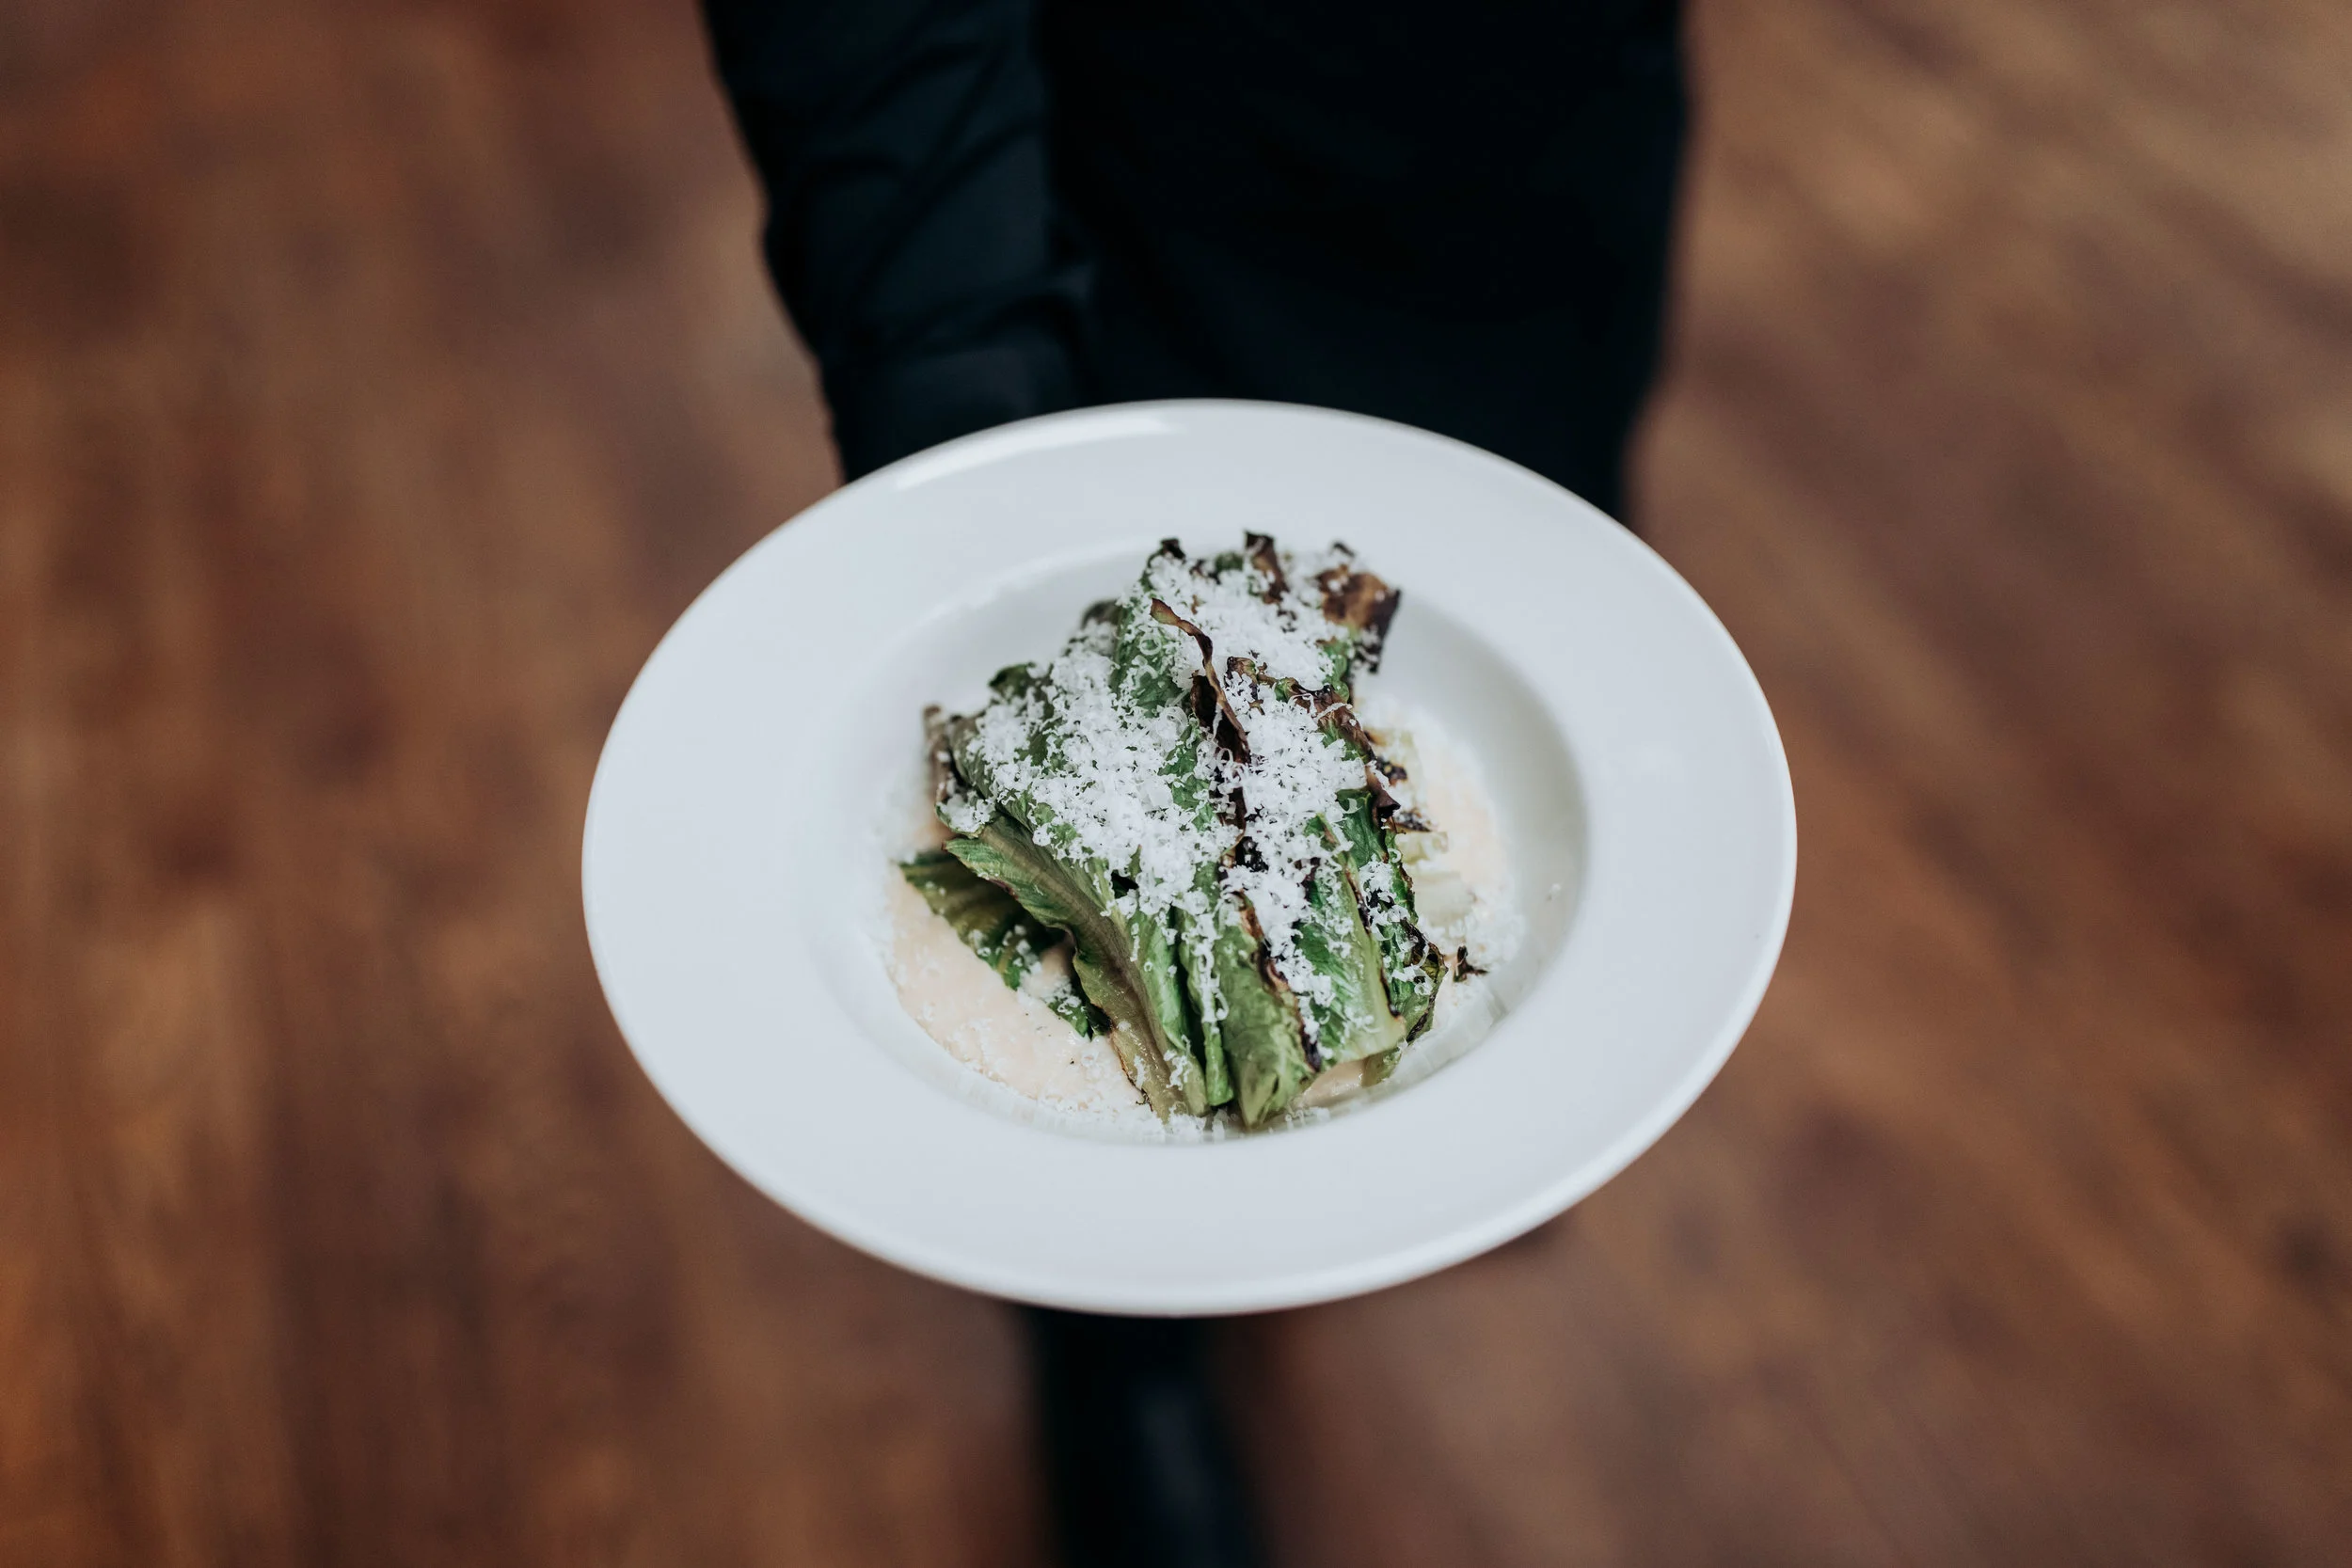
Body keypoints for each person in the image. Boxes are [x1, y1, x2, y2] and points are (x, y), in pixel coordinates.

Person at [695, 2, 1687, 1561]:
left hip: (1540, 183)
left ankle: (1411, 1131)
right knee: (1118, 1055)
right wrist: (954, 381)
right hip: (1149, 182)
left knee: (1511, 612)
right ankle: (1118, 1357)